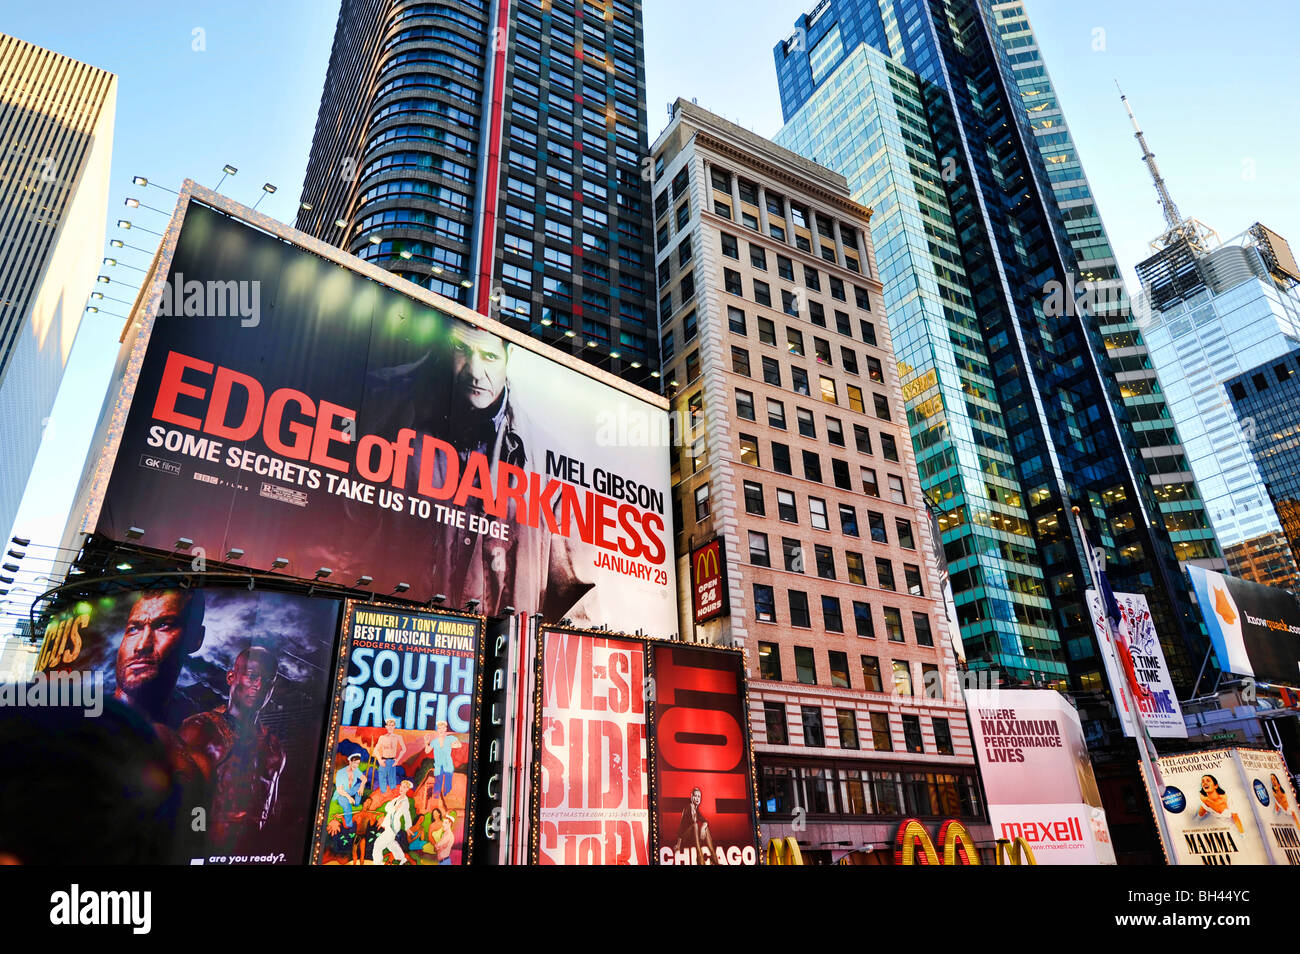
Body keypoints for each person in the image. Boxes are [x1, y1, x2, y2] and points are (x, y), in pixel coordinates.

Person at [179, 645, 286, 851]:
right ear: (231, 678)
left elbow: (270, 815)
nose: (259, 686)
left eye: (268, 680)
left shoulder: (274, 748)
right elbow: (178, 805)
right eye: (252, 676)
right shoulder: (201, 729)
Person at [372, 779, 414, 865]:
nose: (402, 788)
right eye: (402, 786)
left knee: (377, 845)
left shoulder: (405, 802)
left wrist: (408, 827)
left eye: (405, 787)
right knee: (390, 843)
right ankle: (402, 858)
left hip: (393, 826)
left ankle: (377, 863)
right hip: (389, 825)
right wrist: (394, 808)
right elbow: (387, 808)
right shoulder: (396, 799)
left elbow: (407, 814)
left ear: (407, 790)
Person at [423, 721, 461, 813]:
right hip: (438, 766)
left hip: (448, 766)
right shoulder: (434, 742)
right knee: (437, 787)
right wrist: (426, 743)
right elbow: (427, 751)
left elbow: (459, 744)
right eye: (439, 728)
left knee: (447, 786)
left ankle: (446, 809)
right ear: (437, 729)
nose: (441, 730)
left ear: (445, 729)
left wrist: (450, 745)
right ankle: (434, 809)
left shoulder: (450, 738)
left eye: (442, 728)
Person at [673, 787, 716, 863]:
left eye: (699, 796)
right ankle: (700, 856)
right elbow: (681, 827)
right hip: (684, 839)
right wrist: (678, 844)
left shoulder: (696, 809)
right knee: (695, 825)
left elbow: (705, 821)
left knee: (706, 829)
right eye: (695, 796)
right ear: (691, 796)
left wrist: (703, 827)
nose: (697, 798)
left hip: (692, 837)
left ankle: (713, 856)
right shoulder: (688, 808)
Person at [335, 752, 368, 829]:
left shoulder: (356, 770)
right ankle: (349, 825)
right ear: (350, 762)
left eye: (358, 763)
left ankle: (356, 804)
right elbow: (339, 790)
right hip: (341, 794)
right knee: (347, 806)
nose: (356, 765)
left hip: (350, 791)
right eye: (354, 763)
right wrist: (349, 798)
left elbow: (364, 779)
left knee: (360, 785)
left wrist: (362, 786)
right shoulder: (341, 773)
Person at [374, 718, 407, 793]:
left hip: (392, 761)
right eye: (389, 725)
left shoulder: (398, 737)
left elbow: (404, 749)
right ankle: (383, 793)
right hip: (384, 760)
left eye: (392, 725)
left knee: (392, 779)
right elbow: (376, 750)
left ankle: (392, 796)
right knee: (382, 777)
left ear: (394, 726)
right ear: (386, 726)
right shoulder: (382, 738)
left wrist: (397, 760)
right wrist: (379, 760)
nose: (390, 727)